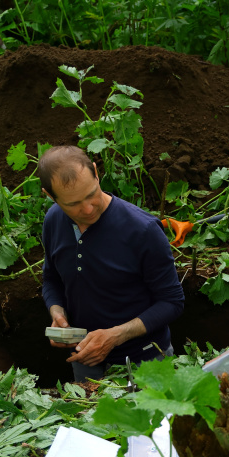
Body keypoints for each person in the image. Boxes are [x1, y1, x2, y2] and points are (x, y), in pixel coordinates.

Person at [39, 145, 184, 381]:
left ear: (96, 172)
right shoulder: (53, 221)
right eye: (73, 204)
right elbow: (52, 278)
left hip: (145, 364)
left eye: (91, 194)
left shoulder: (142, 230)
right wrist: (57, 313)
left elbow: (172, 302)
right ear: (50, 195)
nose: (87, 209)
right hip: (85, 362)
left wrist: (114, 336)